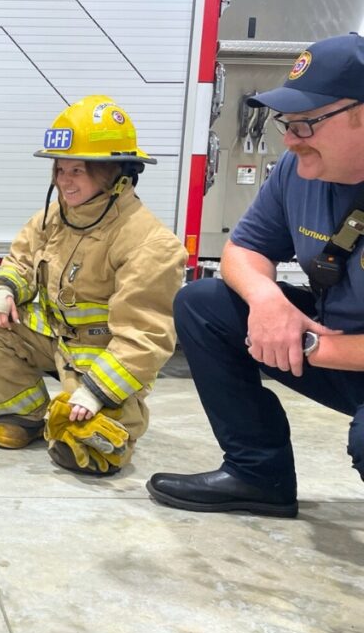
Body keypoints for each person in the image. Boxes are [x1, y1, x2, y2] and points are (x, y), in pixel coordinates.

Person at [147, 33, 364, 517]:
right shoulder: (296, 169)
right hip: (338, 344)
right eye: (287, 123)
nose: (288, 139)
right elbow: (244, 248)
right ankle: (257, 475)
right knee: (204, 305)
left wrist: (306, 345)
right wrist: (267, 302)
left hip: (339, 347)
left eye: (306, 124)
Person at [0, 95, 187, 475]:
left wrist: (95, 392)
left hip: (100, 362)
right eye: (60, 170)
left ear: (116, 173)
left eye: (77, 171)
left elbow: (145, 337)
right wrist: (4, 291)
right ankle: (24, 417)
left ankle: (100, 414)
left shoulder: (150, 243)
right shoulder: (54, 217)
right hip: (53, 342)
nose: (64, 180)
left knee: (88, 455)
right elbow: (22, 262)